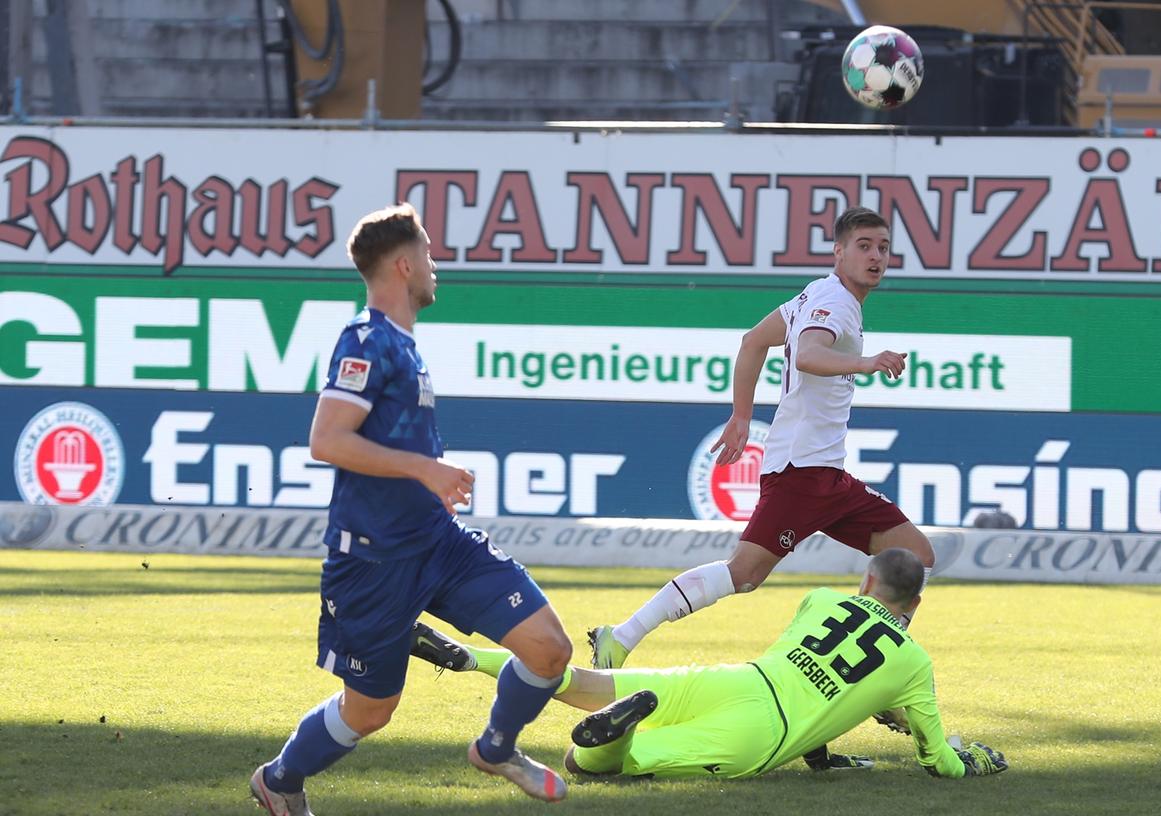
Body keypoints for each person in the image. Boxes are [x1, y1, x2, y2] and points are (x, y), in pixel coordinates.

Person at [249, 203, 574, 814]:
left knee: (550, 648)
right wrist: (427, 468)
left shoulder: (404, 345)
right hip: (373, 560)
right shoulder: (366, 340)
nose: (435, 264)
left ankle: (496, 747)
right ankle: (281, 778)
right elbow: (328, 440)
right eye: (428, 252)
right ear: (403, 264)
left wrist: (429, 480)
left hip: (437, 543)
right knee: (371, 711)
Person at [588, 207, 936, 669]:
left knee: (915, 555)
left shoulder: (816, 294)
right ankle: (621, 637)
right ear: (839, 252)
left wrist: (740, 416)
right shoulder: (835, 302)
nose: (876, 256)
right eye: (864, 246)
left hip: (825, 475)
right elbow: (810, 354)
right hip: (803, 476)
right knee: (744, 574)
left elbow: (753, 340)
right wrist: (867, 361)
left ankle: (868, 662)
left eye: (883, 248)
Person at [413, 549, 1008, 781]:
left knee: (587, 683)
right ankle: (622, 736)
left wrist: (829, 750)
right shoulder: (913, 663)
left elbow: (813, 678)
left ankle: (469, 658)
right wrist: (970, 761)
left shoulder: (824, 601)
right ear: (917, 603)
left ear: (866, 581)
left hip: (740, 677)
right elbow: (940, 763)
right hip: (761, 733)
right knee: (587, 761)